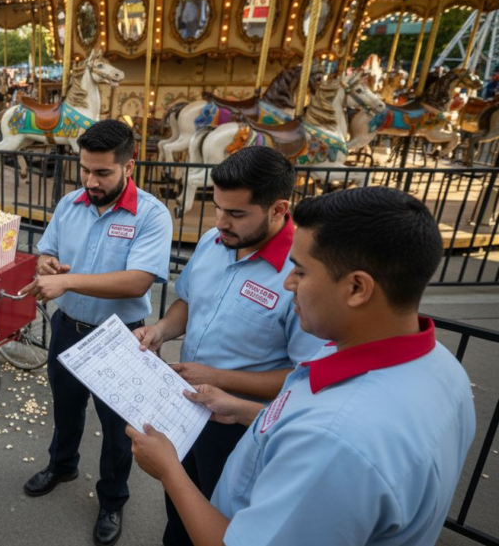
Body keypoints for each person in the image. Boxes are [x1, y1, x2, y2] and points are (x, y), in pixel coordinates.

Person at [128, 186, 476, 546]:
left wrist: (168, 470)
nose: (288, 283)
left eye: (301, 271)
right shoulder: (444, 369)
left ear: (358, 288)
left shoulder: (333, 444)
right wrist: (245, 411)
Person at [131, 146, 324, 546]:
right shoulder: (212, 241)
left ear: (277, 209)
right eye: (217, 207)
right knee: (180, 508)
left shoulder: (302, 273)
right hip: (185, 406)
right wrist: (161, 331)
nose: (221, 222)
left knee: (221, 522)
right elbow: (188, 300)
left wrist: (217, 378)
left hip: (239, 425)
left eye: (236, 214)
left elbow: (306, 378)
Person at [17, 119, 173, 546]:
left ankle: (112, 500)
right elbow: (46, 251)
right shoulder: (71, 203)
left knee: (117, 429)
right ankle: (62, 465)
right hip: (68, 328)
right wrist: (46, 265)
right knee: (66, 409)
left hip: (120, 337)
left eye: (102, 172)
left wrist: (67, 282)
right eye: (85, 169)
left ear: (129, 166)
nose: (91, 180)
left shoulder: (153, 215)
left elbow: (137, 281)